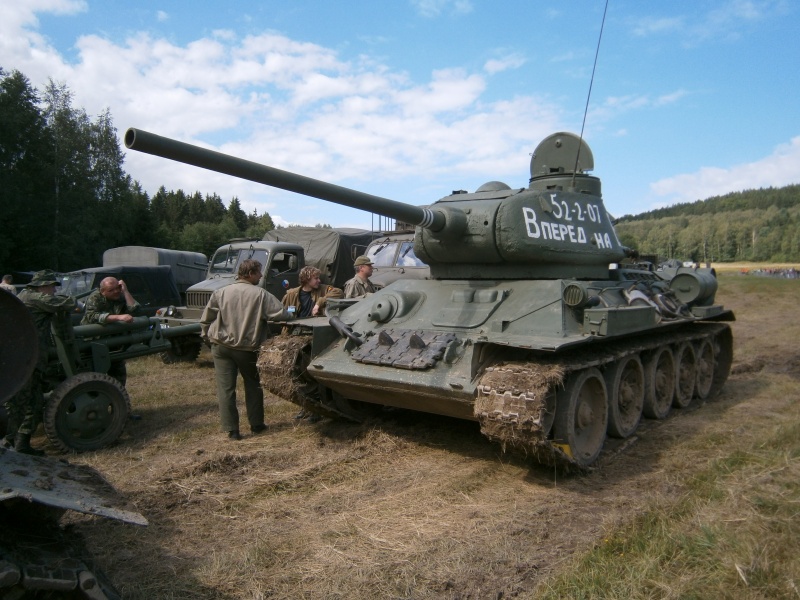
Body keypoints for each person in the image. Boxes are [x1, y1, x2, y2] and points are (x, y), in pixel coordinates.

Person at [200, 259, 294, 440]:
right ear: (250, 274)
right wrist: (291, 314)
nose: (261, 276)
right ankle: (256, 425)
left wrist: (207, 337)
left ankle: (232, 430)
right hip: (247, 348)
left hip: (221, 346)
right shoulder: (261, 294)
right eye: (258, 272)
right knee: (253, 385)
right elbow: (282, 314)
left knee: (225, 389)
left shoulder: (221, 292)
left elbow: (206, 319)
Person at [3, 270, 76, 455]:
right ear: (43, 286)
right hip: (25, 361)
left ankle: (22, 444)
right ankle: (7, 443)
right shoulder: (33, 297)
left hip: (33, 360)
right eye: (52, 287)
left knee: (34, 403)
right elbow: (63, 303)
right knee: (18, 405)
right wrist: (75, 301)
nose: (53, 290)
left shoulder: (29, 296)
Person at [81, 276, 141, 387]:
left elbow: (135, 310)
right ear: (102, 291)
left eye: (117, 288)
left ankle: (118, 395)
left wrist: (125, 291)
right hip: (94, 343)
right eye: (111, 290)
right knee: (94, 377)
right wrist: (119, 317)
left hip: (114, 343)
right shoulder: (95, 297)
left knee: (118, 377)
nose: (116, 291)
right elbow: (92, 316)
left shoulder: (120, 296)